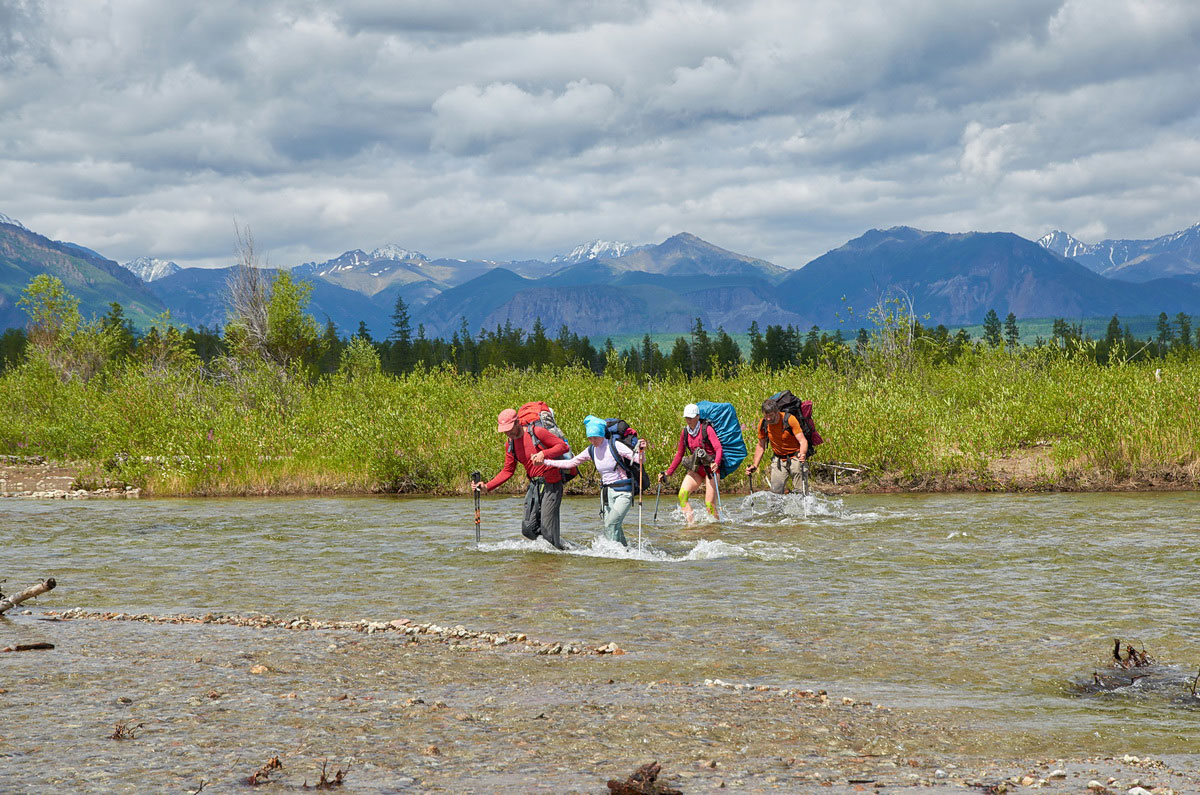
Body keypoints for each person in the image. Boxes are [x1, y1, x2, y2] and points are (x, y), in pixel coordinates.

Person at [534, 416, 645, 546]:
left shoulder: (615, 445)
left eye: (595, 437)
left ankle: (615, 553)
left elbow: (640, 460)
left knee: (611, 523)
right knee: (613, 525)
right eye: (590, 438)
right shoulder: (591, 450)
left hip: (623, 492)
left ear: (602, 434)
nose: (593, 441)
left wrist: (642, 450)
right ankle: (624, 551)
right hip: (606, 493)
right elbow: (571, 463)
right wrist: (546, 462)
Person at [474, 408, 569, 549]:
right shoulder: (510, 444)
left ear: (518, 422)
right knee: (528, 529)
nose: (508, 433)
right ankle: (555, 547)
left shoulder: (537, 432)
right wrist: (487, 486)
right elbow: (507, 471)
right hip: (534, 486)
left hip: (552, 483)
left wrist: (544, 453)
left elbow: (563, 447)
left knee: (548, 531)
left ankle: (556, 550)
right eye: (505, 431)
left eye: (510, 429)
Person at [659, 403, 723, 524]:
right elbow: (679, 454)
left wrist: (717, 463)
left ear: (698, 417)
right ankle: (691, 526)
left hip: (711, 470)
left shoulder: (707, 429)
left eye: (691, 417)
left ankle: (715, 529)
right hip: (697, 469)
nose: (688, 420)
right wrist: (668, 472)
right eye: (686, 418)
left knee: (709, 505)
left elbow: (718, 448)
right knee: (682, 496)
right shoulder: (685, 433)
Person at [746, 397, 809, 494]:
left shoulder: (789, 419)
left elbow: (803, 441)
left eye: (771, 415)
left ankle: (804, 508)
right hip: (778, 460)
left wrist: (803, 454)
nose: (768, 419)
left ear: (777, 412)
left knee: (801, 492)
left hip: (796, 457)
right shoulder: (763, 423)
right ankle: (776, 509)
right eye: (766, 416)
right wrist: (755, 465)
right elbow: (760, 446)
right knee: (775, 494)